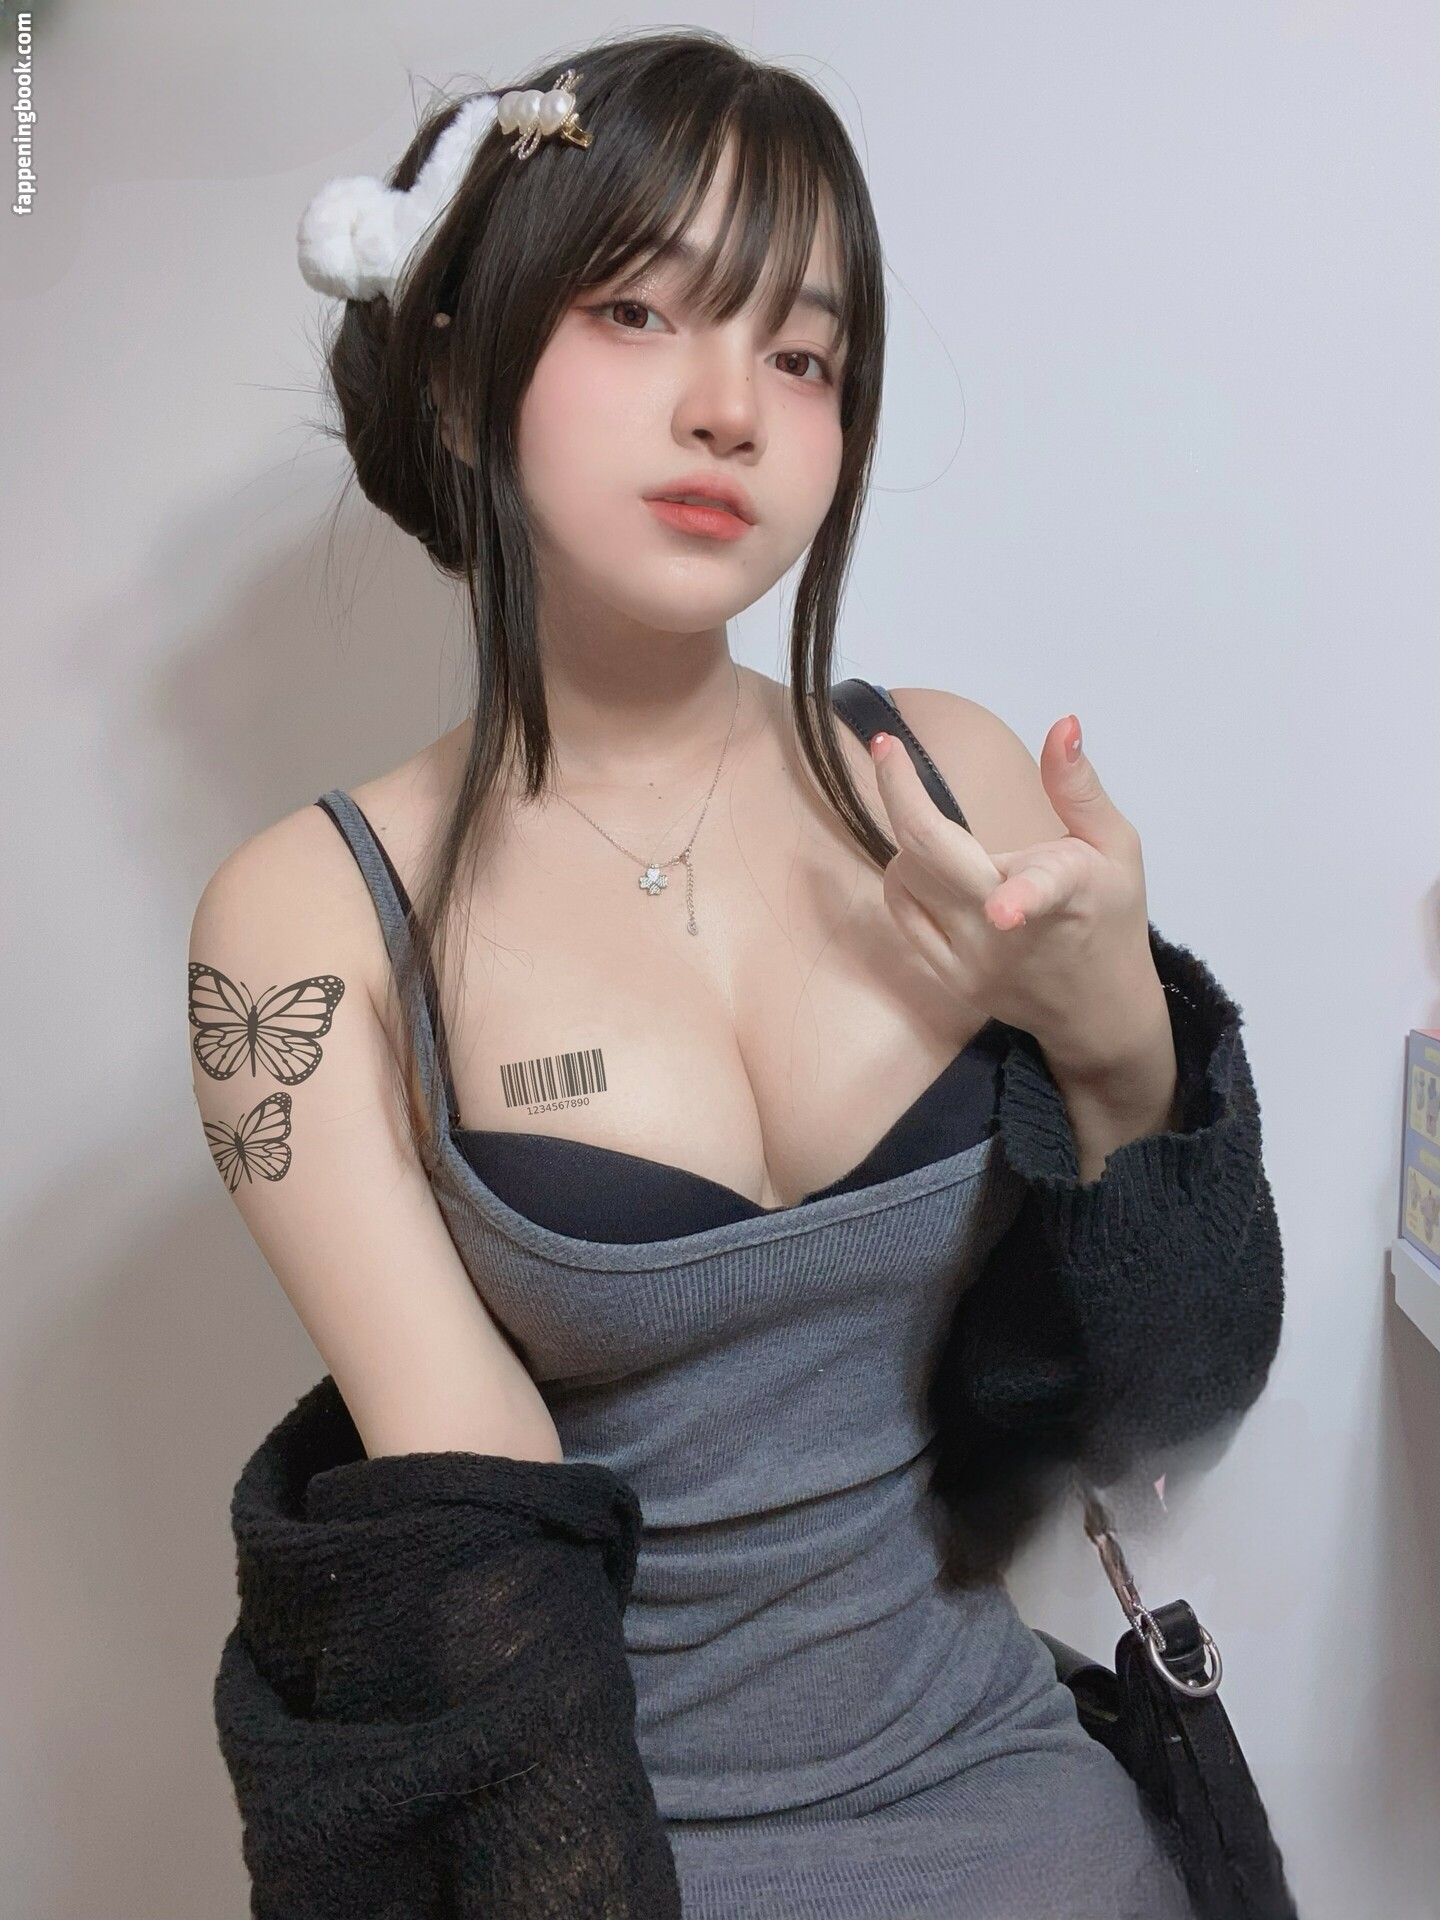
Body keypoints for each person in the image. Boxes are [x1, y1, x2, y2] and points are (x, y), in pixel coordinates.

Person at [192, 28, 1284, 1918]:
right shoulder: (310, 923)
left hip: (1031, 1814)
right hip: (623, 1857)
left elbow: (1169, 1412)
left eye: (803, 356)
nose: (731, 412)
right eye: (637, 312)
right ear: (457, 370)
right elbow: (473, 1587)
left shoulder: (943, 775)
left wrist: (1118, 1035)